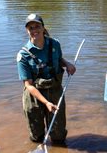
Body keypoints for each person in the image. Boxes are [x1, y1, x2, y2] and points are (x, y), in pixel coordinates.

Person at [16, 14, 76, 145]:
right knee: (37, 135)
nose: (34, 30)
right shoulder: (23, 55)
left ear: (43, 28)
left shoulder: (55, 44)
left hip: (55, 91)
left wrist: (68, 64)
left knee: (58, 134)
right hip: (34, 96)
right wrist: (46, 103)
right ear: (27, 31)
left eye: (37, 26)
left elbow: (58, 59)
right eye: (30, 27)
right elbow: (29, 85)